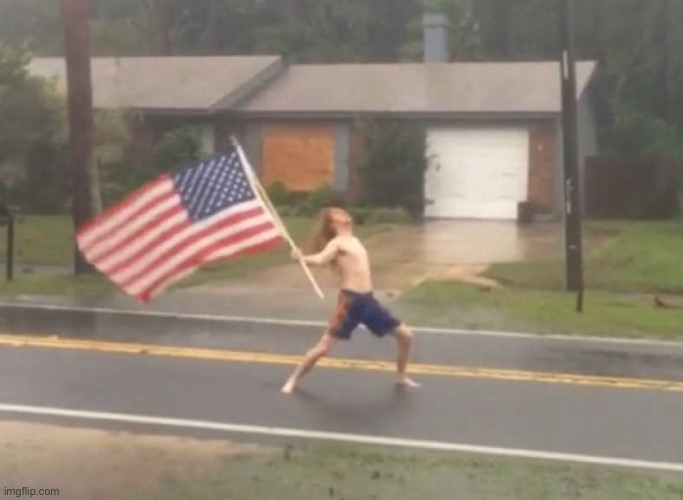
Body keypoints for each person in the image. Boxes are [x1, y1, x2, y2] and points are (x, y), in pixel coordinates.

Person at [281, 207, 419, 394]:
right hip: (350, 302)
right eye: (338, 213)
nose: (344, 213)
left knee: (406, 336)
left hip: (369, 302)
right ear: (333, 223)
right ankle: (293, 380)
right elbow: (321, 259)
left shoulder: (354, 240)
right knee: (324, 348)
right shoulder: (337, 243)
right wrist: (301, 258)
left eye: (343, 211)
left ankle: (401, 376)